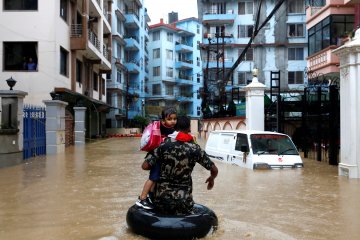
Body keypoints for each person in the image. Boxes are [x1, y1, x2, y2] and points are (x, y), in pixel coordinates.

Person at [142, 116, 218, 215]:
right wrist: (211, 178)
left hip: (160, 202)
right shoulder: (195, 149)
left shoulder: (162, 145)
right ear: (189, 129)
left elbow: (145, 166)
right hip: (184, 204)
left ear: (174, 128)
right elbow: (214, 170)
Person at [136, 107, 177, 209]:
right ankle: (142, 198)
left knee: (156, 178)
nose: (173, 121)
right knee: (153, 178)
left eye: (174, 119)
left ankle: (150, 196)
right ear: (163, 120)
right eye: (170, 119)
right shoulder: (166, 128)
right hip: (157, 158)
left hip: (158, 157)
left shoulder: (164, 128)